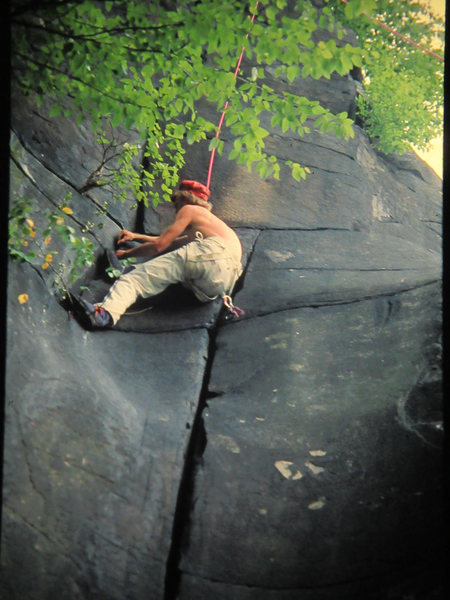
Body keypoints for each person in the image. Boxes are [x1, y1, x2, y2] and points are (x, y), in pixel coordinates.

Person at [82, 180, 243, 328]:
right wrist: (136, 237)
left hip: (210, 255)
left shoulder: (189, 209)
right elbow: (172, 242)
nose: (175, 206)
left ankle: (105, 314)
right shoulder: (212, 226)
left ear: (185, 197)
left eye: (176, 200)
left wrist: (125, 254)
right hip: (219, 284)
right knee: (170, 271)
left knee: (135, 281)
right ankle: (128, 270)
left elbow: (160, 246)